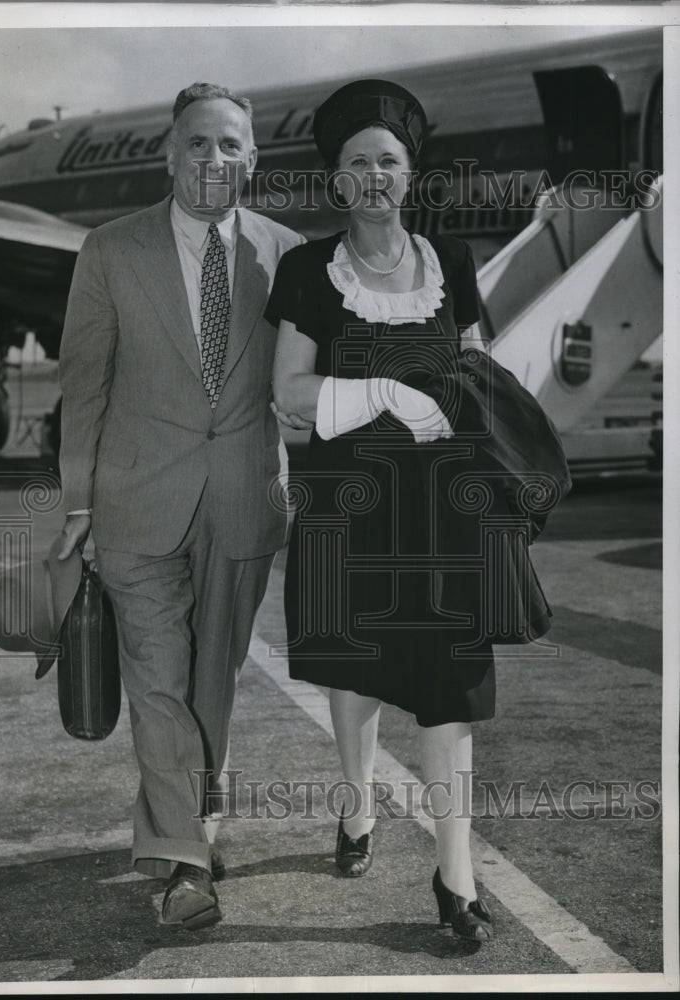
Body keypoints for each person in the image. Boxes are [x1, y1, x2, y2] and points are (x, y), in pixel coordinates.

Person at [268, 79, 565, 942]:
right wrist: (392, 393)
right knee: (354, 681)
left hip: (444, 516)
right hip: (347, 511)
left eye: (387, 160)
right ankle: (357, 811)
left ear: (411, 172)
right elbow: (287, 393)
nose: (373, 176)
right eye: (355, 161)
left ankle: (455, 882)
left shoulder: (454, 262)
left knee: (452, 697)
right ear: (336, 178)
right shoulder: (306, 271)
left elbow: (480, 378)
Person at [56, 82, 303, 930]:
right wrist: (78, 506)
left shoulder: (285, 253)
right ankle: (186, 864)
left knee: (209, 685)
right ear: (170, 154)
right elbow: (83, 385)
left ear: (253, 158)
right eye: (197, 144)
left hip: (241, 497)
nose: (214, 160)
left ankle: (191, 821)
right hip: (134, 500)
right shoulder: (110, 249)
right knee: (158, 682)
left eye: (230, 145)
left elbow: (300, 386)